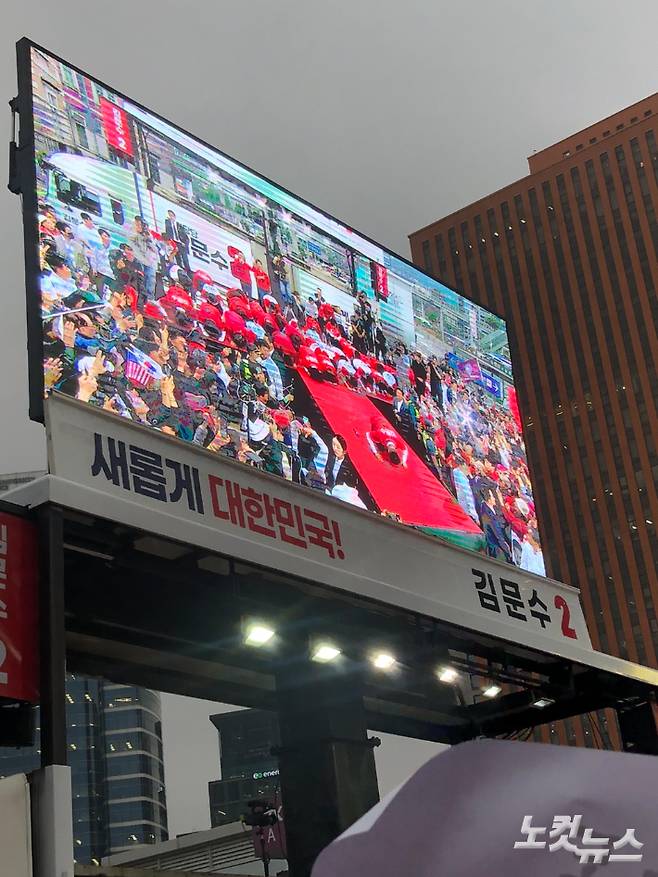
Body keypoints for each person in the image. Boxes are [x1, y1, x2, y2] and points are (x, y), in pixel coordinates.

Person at [129, 216, 158, 299]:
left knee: (149, 286)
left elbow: (156, 250)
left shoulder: (149, 237)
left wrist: (149, 240)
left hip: (150, 264)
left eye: (140, 225)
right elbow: (135, 251)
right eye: (136, 225)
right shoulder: (133, 237)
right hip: (139, 264)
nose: (138, 227)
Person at [89, 228, 115, 298]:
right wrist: (94, 269)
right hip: (100, 272)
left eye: (107, 236)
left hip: (111, 274)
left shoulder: (113, 249)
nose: (105, 238)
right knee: (100, 290)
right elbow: (93, 259)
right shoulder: (97, 247)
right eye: (103, 236)